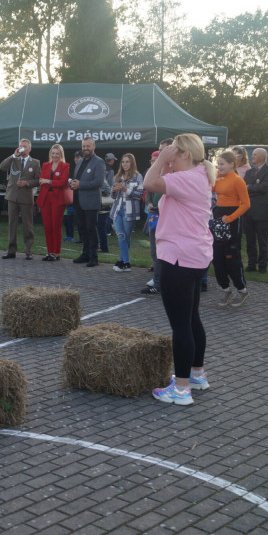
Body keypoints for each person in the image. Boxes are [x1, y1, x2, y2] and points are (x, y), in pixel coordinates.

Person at [143, 134, 215, 405]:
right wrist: (166, 161)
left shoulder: (187, 178)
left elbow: (150, 183)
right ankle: (196, 374)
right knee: (191, 318)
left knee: (181, 325)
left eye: (173, 150)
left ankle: (181, 389)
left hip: (179, 258)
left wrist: (161, 159)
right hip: (193, 256)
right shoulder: (197, 176)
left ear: (184, 154)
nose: (168, 154)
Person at [211, 150, 251, 305]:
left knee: (232, 258)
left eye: (222, 164)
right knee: (217, 257)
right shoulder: (219, 178)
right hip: (219, 218)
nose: (219, 167)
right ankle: (225, 289)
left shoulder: (237, 180)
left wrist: (231, 217)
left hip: (232, 220)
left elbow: (246, 204)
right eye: (218, 164)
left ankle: (242, 290)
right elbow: (210, 189)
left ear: (232, 164)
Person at [0, 139, 41, 259]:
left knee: (27, 224)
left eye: (25, 146)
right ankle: (11, 250)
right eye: (21, 146)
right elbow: (2, 166)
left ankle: (28, 250)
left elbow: (38, 180)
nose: (22, 148)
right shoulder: (14, 160)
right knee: (12, 224)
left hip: (26, 197)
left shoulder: (35, 163)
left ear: (30, 149)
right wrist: (13, 155)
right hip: (12, 196)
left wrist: (27, 183)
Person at [69, 137, 107, 267]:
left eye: (88, 146)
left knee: (91, 229)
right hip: (78, 200)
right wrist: (73, 184)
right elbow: (77, 178)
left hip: (90, 202)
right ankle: (85, 254)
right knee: (82, 228)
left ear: (94, 147)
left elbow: (99, 182)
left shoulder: (99, 162)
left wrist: (80, 185)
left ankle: (93, 257)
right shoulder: (79, 162)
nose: (85, 148)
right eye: (84, 146)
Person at [243, 148, 268, 273]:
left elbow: (265, 187)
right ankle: (251, 264)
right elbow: (243, 186)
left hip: (262, 211)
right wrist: (254, 187)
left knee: (262, 240)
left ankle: (262, 266)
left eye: (255, 155)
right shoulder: (249, 172)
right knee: (250, 240)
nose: (252, 156)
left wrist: (250, 187)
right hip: (249, 210)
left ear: (262, 157)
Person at [108, 153, 144, 272]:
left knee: (126, 237)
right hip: (117, 210)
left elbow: (139, 195)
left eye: (127, 162)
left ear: (132, 163)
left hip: (130, 212)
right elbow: (112, 196)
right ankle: (127, 263)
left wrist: (125, 190)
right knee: (121, 236)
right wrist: (114, 190)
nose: (124, 164)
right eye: (123, 162)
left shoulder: (138, 177)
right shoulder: (117, 176)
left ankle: (121, 260)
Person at [37, 144, 71, 261]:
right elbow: (41, 180)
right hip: (45, 198)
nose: (55, 155)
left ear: (61, 154)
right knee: (47, 226)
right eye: (53, 153)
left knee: (55, 226)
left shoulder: (65, 166)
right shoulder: (46, 165)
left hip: (58, 199)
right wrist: (51, 182)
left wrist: (49, 181)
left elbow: (63, 182)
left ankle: (56, 253)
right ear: (50, 154)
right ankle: (49, 251)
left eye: (57, 153)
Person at [141, 150, 164, 295]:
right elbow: (148, 191)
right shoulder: (152, 174)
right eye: (151, 161)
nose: (153, 163)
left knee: (164, 252)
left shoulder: (170, 174)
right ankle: (157, 281)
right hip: (153, 216)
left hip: (166, 217)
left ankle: (161, 281)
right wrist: (149, 203)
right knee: (155, 251)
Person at [98, 153, 117, 253]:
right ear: (111, 160)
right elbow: (109, 186)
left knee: (100, 224)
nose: (114, 161)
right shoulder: (110, 171)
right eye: (113, 159)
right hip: (105, 199)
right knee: (102, 224)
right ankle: (103, 246)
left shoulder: (100, 168)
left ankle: (102, 245)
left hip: (97, 198)